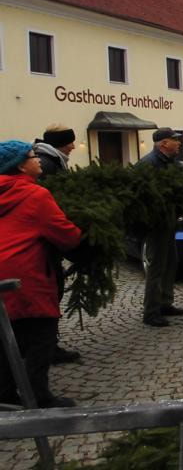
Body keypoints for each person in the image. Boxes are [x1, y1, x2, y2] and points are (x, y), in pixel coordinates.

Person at [0, 140, 82, 408]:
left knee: (7, 334)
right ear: (20, 166)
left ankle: (5, 394)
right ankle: (39, 397)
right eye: (32, 155)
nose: (38, 159)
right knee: (41, 335)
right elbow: (66, 235)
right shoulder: (35, 195)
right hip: (26, 274)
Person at [33, 124, 82, 363]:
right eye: (70, 141)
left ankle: (48, 345)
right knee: (52, 291)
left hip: (47, 240)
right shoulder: (48, 165)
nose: (73, 146)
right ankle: (47, 348)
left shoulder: (52, 160)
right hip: (45, 243)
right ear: (60, 143)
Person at [136, 128, 183, 327]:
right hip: (156, 223)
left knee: (171, 261)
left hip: (168, 222)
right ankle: (151, 311)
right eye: (175, 140)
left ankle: (165, 302)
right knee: (156, 266)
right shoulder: (149, 164)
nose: (179, 143)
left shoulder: (170, 163)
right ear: (164, 143)